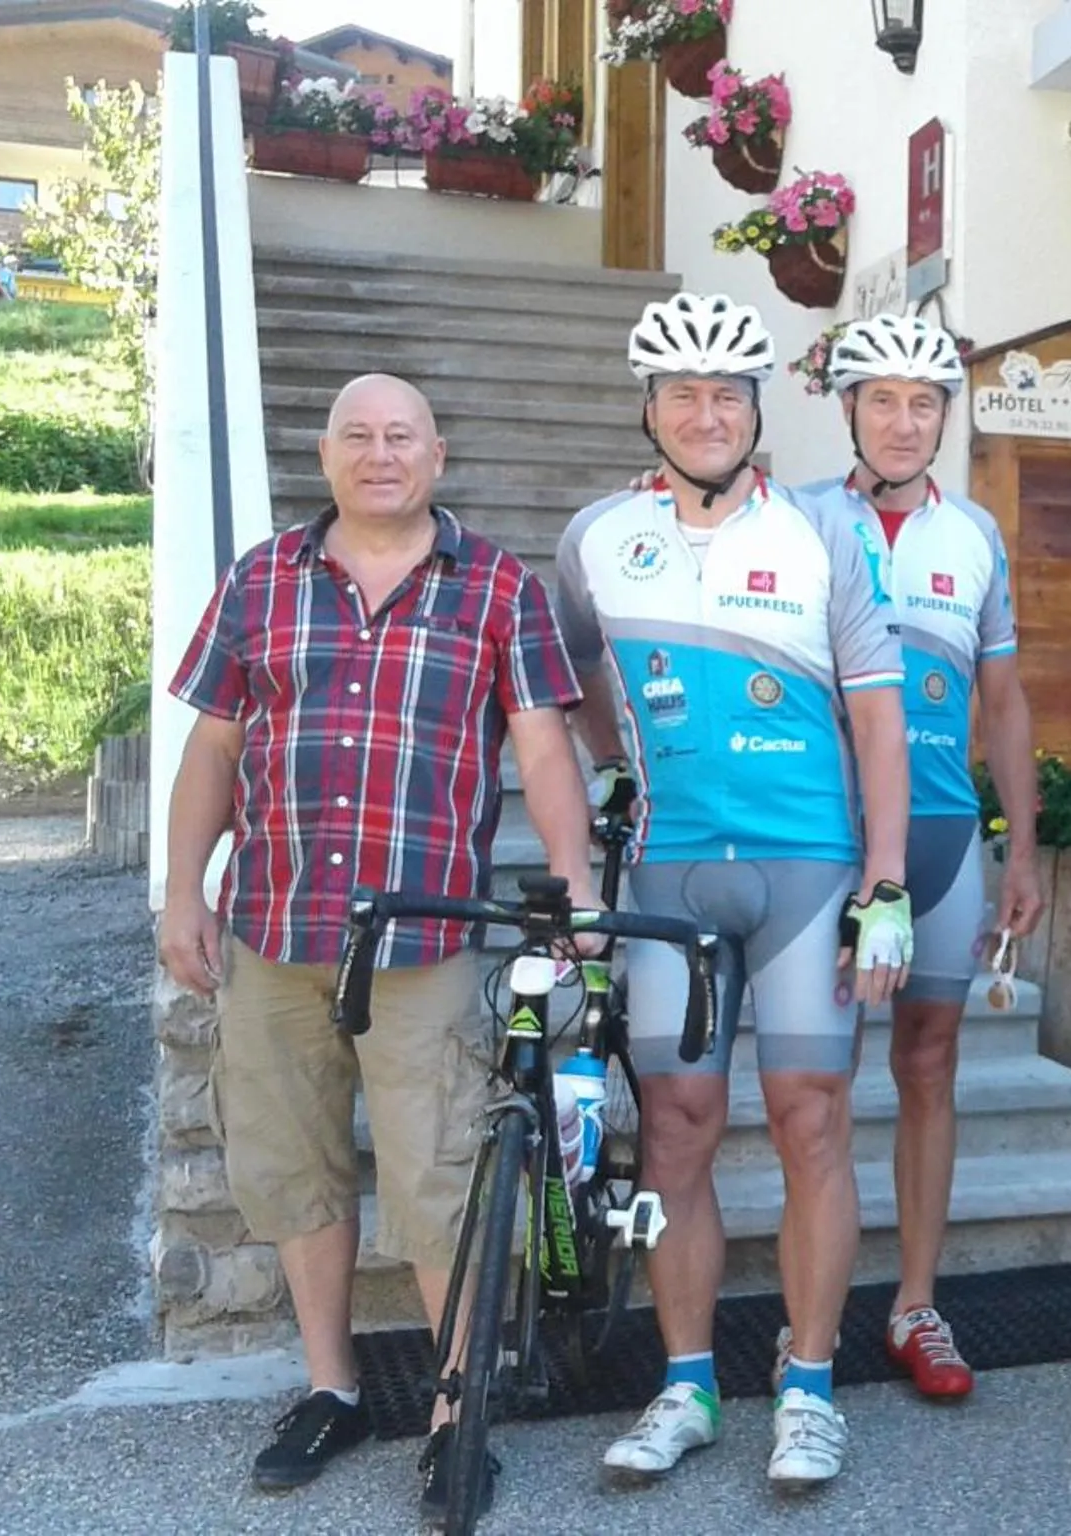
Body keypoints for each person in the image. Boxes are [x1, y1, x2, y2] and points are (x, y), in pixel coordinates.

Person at [156, 373, 598, 1522]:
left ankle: (458, 1412)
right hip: (276, 927)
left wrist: (576, 879)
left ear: (438, 456)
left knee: (441, 1174)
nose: (380, 452)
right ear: (325, 454)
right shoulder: (261, 580)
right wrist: (180, 892)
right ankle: (333, 1385)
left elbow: (545, 748)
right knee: (294, 1163)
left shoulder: (498, 585)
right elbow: (212, 749)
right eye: (358, 434)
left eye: (401, 435)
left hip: (425, 944)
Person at [553, 292, 914, 1490]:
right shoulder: (596, 535)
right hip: (669, 872)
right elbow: (576, 680)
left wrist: (890, 882)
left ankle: (807, 1387)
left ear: (759, 412)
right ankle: (686, 1381)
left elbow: (878, 717)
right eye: (682, 394)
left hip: (808, 870)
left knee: (812, 1119)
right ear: (646, 408)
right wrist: (616, 767)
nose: (705, 414)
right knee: (673, 1130)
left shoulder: (826, 535)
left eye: (727, 394)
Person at [794, 313, 1043, 1401]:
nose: (905, 422)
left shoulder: (975, 535)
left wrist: (1020, 843)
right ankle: (814, 1310)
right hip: (823, 846)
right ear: (847, 407)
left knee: (931, 1065)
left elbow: (1003, 698)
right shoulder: (792, 520)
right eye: (884, 400)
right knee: (823, 1082)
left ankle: (915, 1305)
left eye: (925, 403)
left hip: (944, 838)